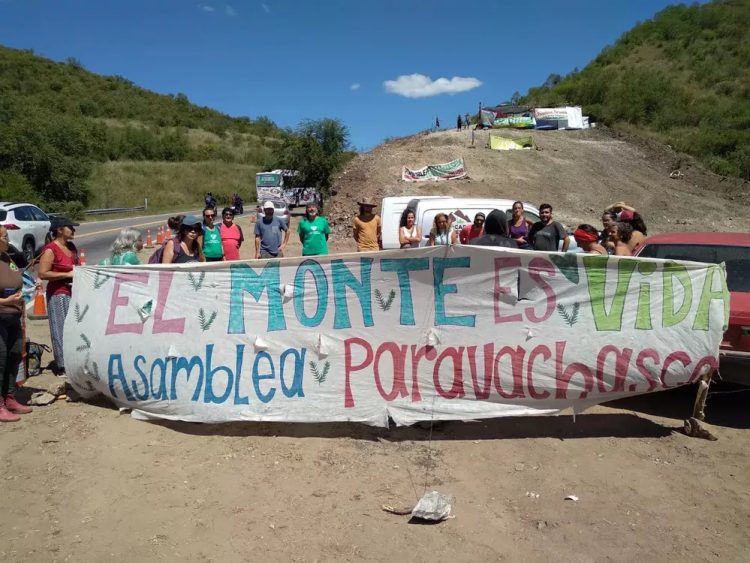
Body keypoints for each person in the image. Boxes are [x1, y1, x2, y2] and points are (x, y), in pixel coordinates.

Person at [38, 216, 80, 376]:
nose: (74, 230)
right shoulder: (51, 249)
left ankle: (74, 362)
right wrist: (66, 274)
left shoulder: (72, 247)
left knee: (73, 329)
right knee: (60, 329)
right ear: (60, 230)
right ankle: (62, 365)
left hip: (73, 292)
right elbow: (42, 273)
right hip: (58, 293)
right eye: (71, 227)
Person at [0, 226, 32, 421]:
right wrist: (5, 302)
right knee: (0, 358)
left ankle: (9, 396)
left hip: (14, 315)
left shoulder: (7, 257)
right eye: (4, 236)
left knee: (13, 356)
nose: (8, 239)